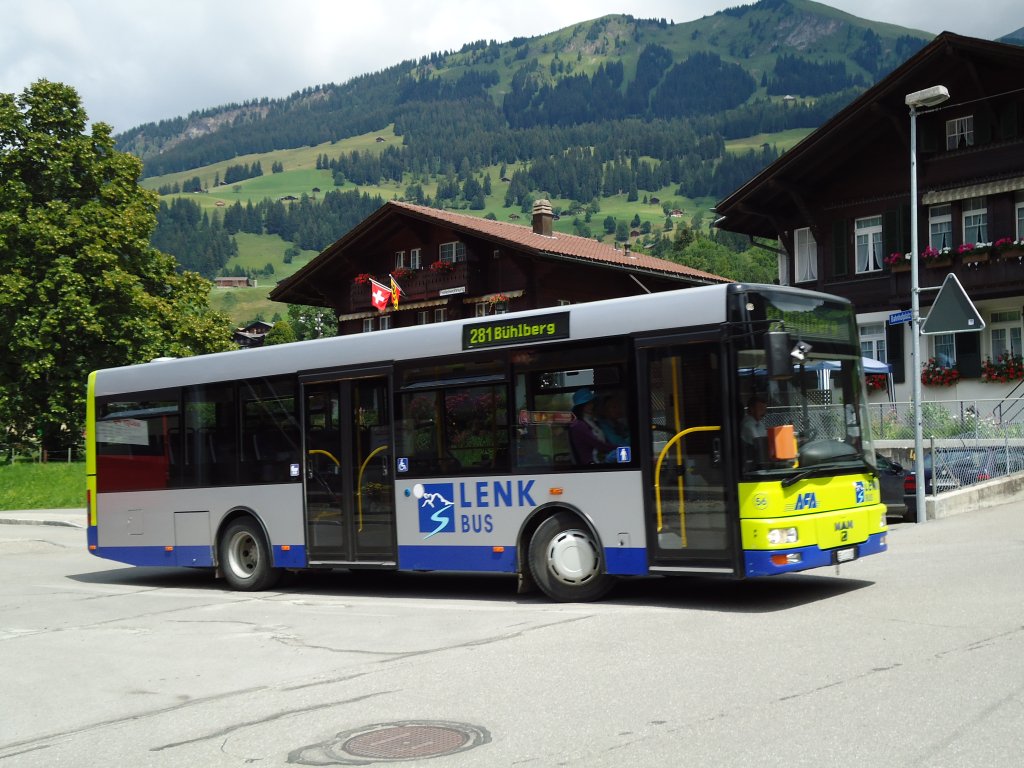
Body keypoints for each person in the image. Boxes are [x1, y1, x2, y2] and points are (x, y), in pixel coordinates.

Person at [568, 388, 614, 464]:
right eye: (587, 403)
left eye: (591, 402)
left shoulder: (594, 421)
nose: (591, 406)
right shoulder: (578, 426)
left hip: (602, 458)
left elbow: (605, 441)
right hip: (591, 463)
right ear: (581, 406)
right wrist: (618, 448)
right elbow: (598, 444)